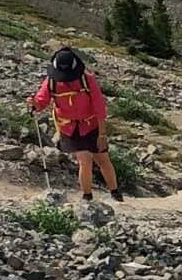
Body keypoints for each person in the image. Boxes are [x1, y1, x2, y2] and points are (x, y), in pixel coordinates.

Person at [30, 47, 122, 203]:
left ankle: (115, 192)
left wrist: (102, 134)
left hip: (92, 126)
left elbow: (99, 106)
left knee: (102, 159)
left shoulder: (87, 79)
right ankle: (87, 196)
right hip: (69, 128)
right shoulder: (51, 81)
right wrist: (34, 104)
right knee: (84, 159)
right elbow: (42, 100)